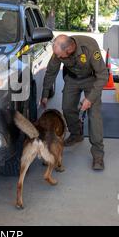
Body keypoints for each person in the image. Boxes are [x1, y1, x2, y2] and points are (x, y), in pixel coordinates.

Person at [41, 35, 108, 170]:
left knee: (94, 116)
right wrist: (45, 94)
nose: (58, 57)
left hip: (91, 80)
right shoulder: (58, 51)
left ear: (70, 49)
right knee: (67, 108)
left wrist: (89, 99)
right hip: (72, 80)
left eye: (60, 56)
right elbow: (51, 71)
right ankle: (76, 134)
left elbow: (103, 75)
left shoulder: (89, 47)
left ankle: (98, 155)